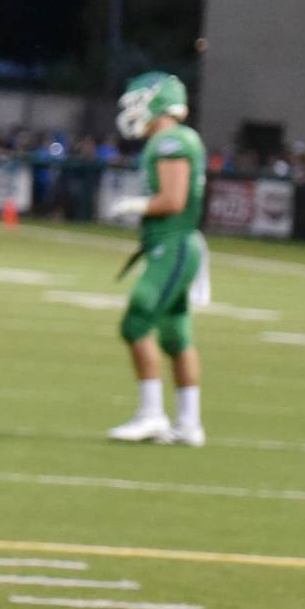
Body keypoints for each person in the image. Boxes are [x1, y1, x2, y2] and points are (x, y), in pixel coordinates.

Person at [106, 71, 206, 447]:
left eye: (136, 103)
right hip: (171, 245)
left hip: (174, 244)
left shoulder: (172, 141)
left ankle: (151, 415)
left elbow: (173, 200)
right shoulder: (172, 140)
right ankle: (189, 425)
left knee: (135, 321)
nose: (132, 112)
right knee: (176, 337)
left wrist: (136, 205)